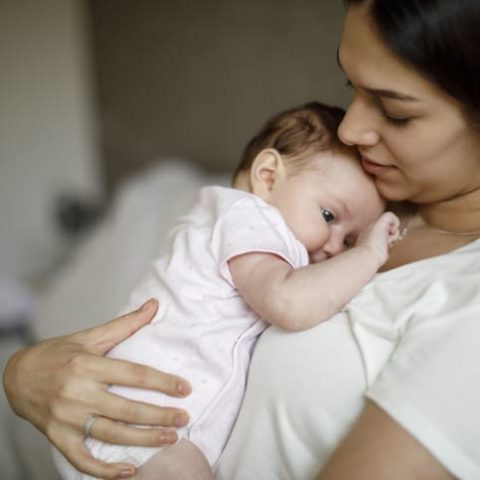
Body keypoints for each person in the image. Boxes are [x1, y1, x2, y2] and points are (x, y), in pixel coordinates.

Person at [4, 0, 480, 478]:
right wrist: (23, 374)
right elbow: (281, 298)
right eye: (349, 87)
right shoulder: (275, 216)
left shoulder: (462, 295)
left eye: (395, 112)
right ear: (267, 174)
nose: (352, 130)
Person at [53, 101, 398, 480]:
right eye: (329, 216)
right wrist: (367, 253)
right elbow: (288, 302)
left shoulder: (260, 233)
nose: (335, 247)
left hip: (154, 433)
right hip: (136, 426)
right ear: (267, 176)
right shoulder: (246, 218)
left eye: (349, 240)